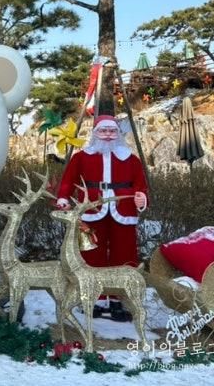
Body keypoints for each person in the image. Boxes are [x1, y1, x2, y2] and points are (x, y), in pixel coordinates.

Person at [56, 114, 149, 322]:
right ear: (95, 133)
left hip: (123, 210)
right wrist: (63, 197)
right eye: (103, 131)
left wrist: (142, 197)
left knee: (124, 257)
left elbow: (140, 184)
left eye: (112, 131)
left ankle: (119, 301)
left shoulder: (130, 158)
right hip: (91, 210)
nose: (108, 135)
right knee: (92, 255)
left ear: (118, 134)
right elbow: (68, 180)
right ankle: (95, 299)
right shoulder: (81, 157)